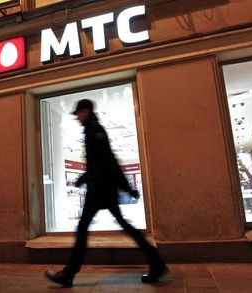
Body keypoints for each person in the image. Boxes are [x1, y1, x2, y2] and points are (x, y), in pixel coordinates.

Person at [45, 99, 168, 288]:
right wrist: (124, 186)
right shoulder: (93, 129)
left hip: (100, 189)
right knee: (122, 226)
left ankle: (68, 274)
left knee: (85, 228)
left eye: (78, 113)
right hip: (103, 188)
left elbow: (106, 161)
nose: (77, 117)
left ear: (85, 111)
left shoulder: (94, 130)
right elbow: (107, 161)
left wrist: (85, 178)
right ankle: (157, 264)